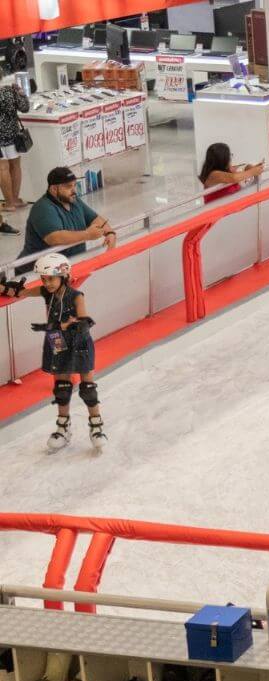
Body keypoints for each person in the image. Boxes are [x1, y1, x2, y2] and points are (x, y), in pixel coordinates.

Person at [1, 253, 107, 452]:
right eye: (43, 278)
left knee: (87, 388)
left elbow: (83, 322)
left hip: (79, 343)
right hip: (57, 342)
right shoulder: (46, 293)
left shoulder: (76, 296)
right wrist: (6, 288)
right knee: (62, 387)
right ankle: (63, 427)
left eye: (51, 278)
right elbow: (21, 292)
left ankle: (96, 427)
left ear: (63, 276)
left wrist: (58, 325)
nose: (47, 283)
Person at [20, 167, 116, 261]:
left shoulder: (74, 200)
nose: (74, 190)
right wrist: (88, 234)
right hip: (38, 272)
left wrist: (109, 233)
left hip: (70, 264)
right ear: (53, 189)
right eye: (68, 186)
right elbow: (55, 238)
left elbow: (95, 219)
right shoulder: (43, 208)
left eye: (74, 185)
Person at [197, 143, 263, 204]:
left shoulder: (226, 171)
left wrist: (250, 167)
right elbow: (234, 178)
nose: (230, 158)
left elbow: (243, 168)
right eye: (229, 156)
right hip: (219, 213)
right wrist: (253, 171)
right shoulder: (213, 175)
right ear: (222, 159)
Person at [0, 74, 26, 230]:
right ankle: (15, 199)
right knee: (15, 165)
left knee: (2, 168)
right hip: (12, 133)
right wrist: (21, 93)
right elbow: (25, 107)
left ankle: (9, 203)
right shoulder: (11, 89)